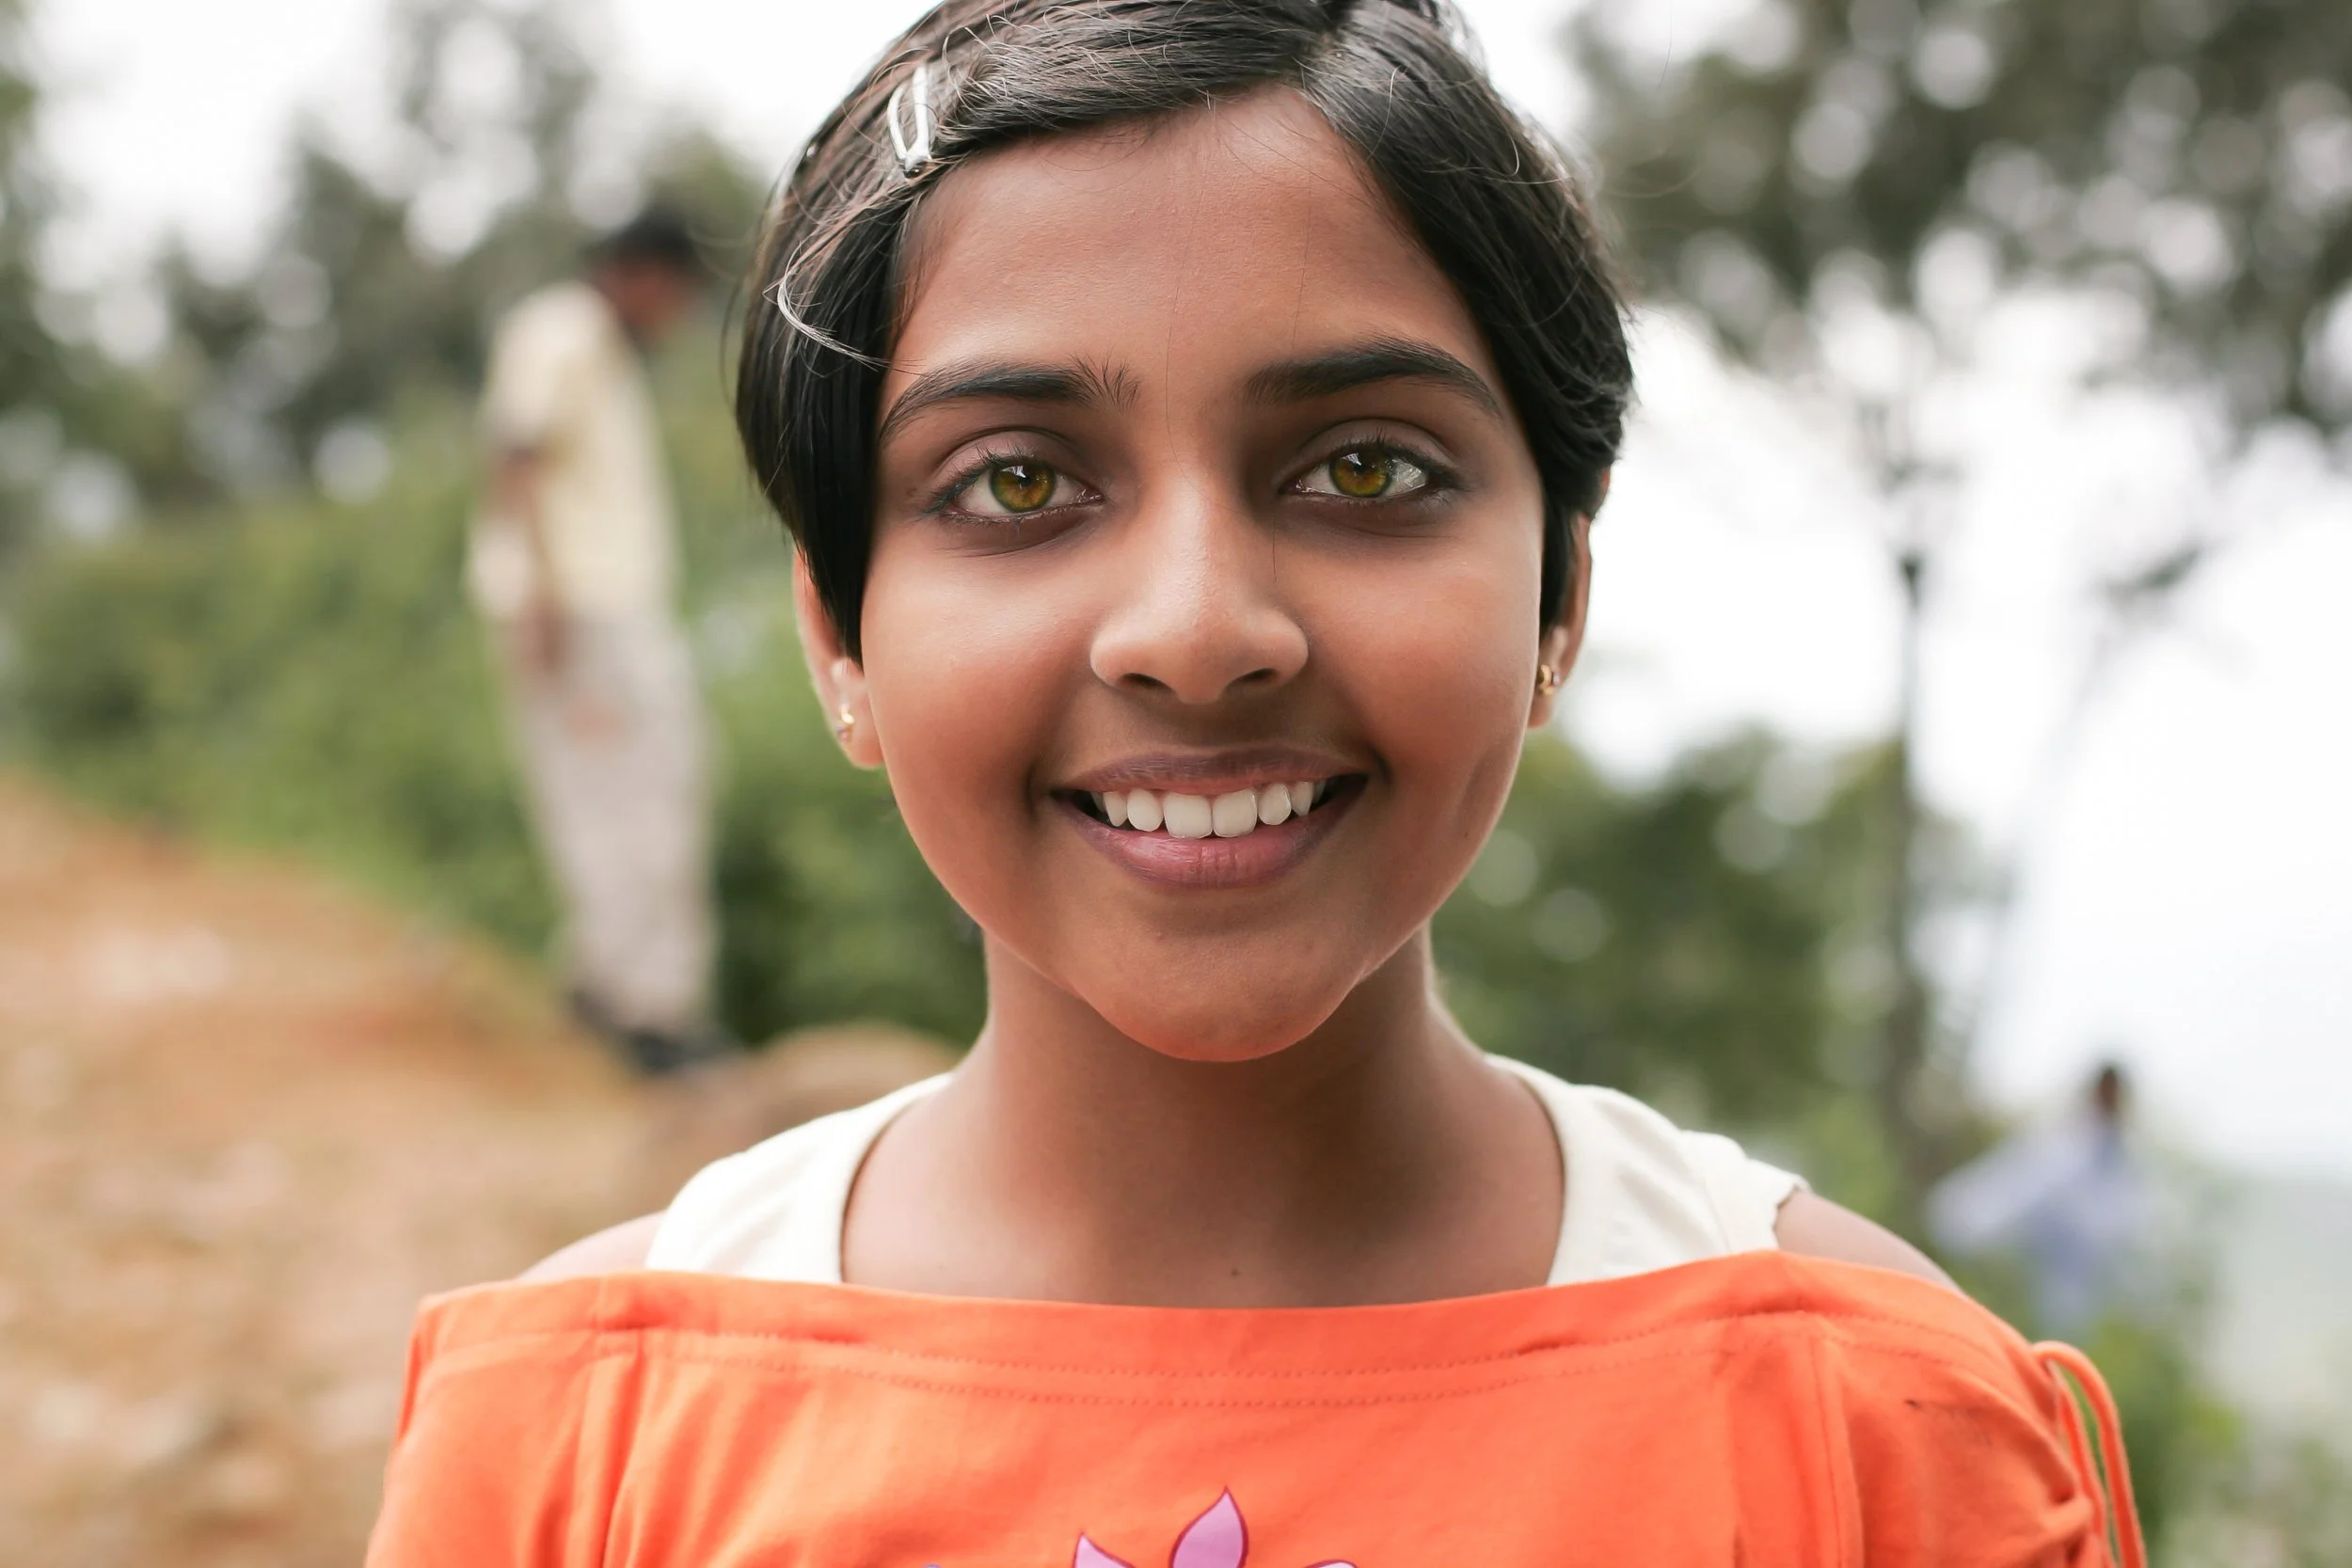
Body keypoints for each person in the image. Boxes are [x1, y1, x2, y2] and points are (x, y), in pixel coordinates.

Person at [371, 5, 2144, 1561]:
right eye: (1014, 484)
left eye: (1365, 467)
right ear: (841, 631)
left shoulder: (1872, 1431)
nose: (1199, 632)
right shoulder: (581, 1451)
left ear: (1560, 598)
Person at [469, 209, 730, 1076]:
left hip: (595, 607)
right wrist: (538, 595)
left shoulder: (598, 348)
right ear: (644, 274)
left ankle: (606, 985)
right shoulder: (565, 329)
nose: (674, 314)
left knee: (630, 794)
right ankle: (649, 1012)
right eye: (675, 294)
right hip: (582, 613)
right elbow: (518, 453)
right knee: (635, 800)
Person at [1931, 1060, 2155, 1335]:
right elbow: (2010, 1196)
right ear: (2097, 1091)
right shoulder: (2060, 1147)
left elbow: (2121, 1238)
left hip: (2066, 1306)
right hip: (2015, 1281)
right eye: (2108, 1091)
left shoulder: (2122, 1165)